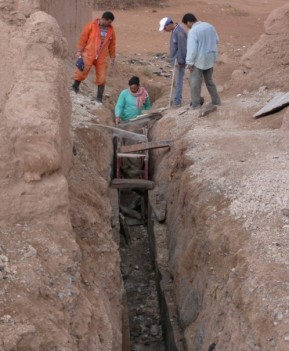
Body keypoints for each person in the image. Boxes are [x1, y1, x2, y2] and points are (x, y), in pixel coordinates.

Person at [71, 11, 116, 103]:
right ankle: (75, 87)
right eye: (109, 22)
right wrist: (79, 50)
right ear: (104, 19)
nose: (109, 24)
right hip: (89, 53)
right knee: (81, 71)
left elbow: (112, 45)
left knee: (102, 77)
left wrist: (112, 57)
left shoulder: (111, 31)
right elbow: (83, 38)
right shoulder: (91, 26)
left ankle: (99, 98)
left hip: (102, 56)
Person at [182, 13, 221, 109]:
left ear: (188, 22)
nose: (187, 27)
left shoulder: (193, 31)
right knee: (209, 80)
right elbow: (217, 40)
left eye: (186, 25)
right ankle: (216, 101)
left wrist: (189, 63)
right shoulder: (209, 26)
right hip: (210, 57)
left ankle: (196, 105)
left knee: (195, 82)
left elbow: (192, 49)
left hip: (199, 60)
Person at [159, 17, 187, 107]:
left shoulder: (179, 32)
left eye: (164, 28)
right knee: (176, 80)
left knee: (178, 81)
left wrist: (180, 61)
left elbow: (182, 48)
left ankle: (177, 101)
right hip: (176, 61)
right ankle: (176, 99)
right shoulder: (175, 31)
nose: (164, 30)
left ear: (169, 24)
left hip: (179, 62)